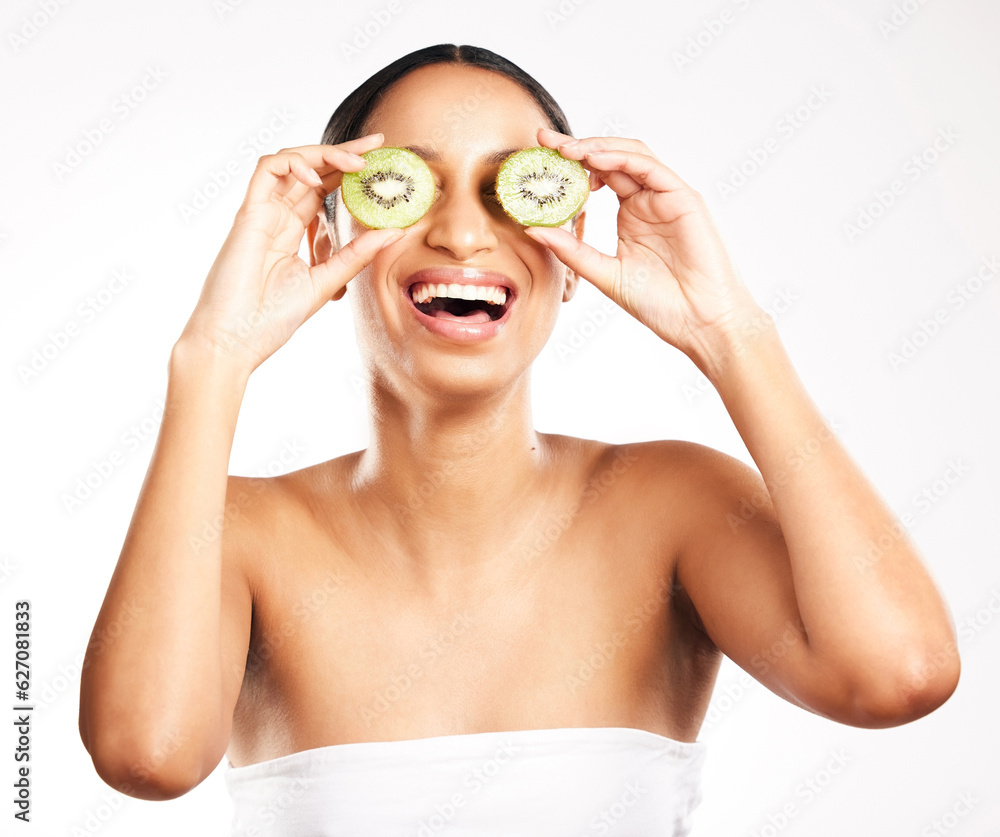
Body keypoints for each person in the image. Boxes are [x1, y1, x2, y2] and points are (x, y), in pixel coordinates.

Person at [78, 44, 960, 834]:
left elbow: (900, 675)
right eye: (404, 185)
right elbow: (145, 755)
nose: (463, 233)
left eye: (514, 191)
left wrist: (732, 332)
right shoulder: (235, 532)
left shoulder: (674, 505)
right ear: (326, 237)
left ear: (572, 242)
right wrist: (211, 361)